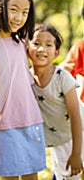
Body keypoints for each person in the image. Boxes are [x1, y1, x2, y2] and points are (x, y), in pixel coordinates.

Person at [0, 0, 46, 179]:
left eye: (25, 12)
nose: (19, 17)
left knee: (31, 176)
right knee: (7, 175)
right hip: (4, 122)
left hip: (30, 116)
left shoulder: (22, 41)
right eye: (14, 9)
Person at [27, 23, 84, 179]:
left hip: (78, 131)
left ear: (57, 52)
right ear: (27, 47)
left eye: (48, 45)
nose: (41, 49)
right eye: (36, 43)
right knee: (64, 176)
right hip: (59, 137)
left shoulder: (62, 77)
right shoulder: (26, 78)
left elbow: (75, 116)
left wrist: (76, 153)